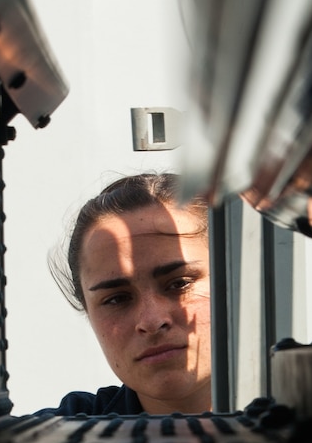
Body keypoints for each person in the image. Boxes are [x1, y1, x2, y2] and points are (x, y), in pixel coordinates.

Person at [40, 173, 213, 416]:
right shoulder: (58, 439)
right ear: (87, 310)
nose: (152, 321)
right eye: (116, 299)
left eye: (179, 284)